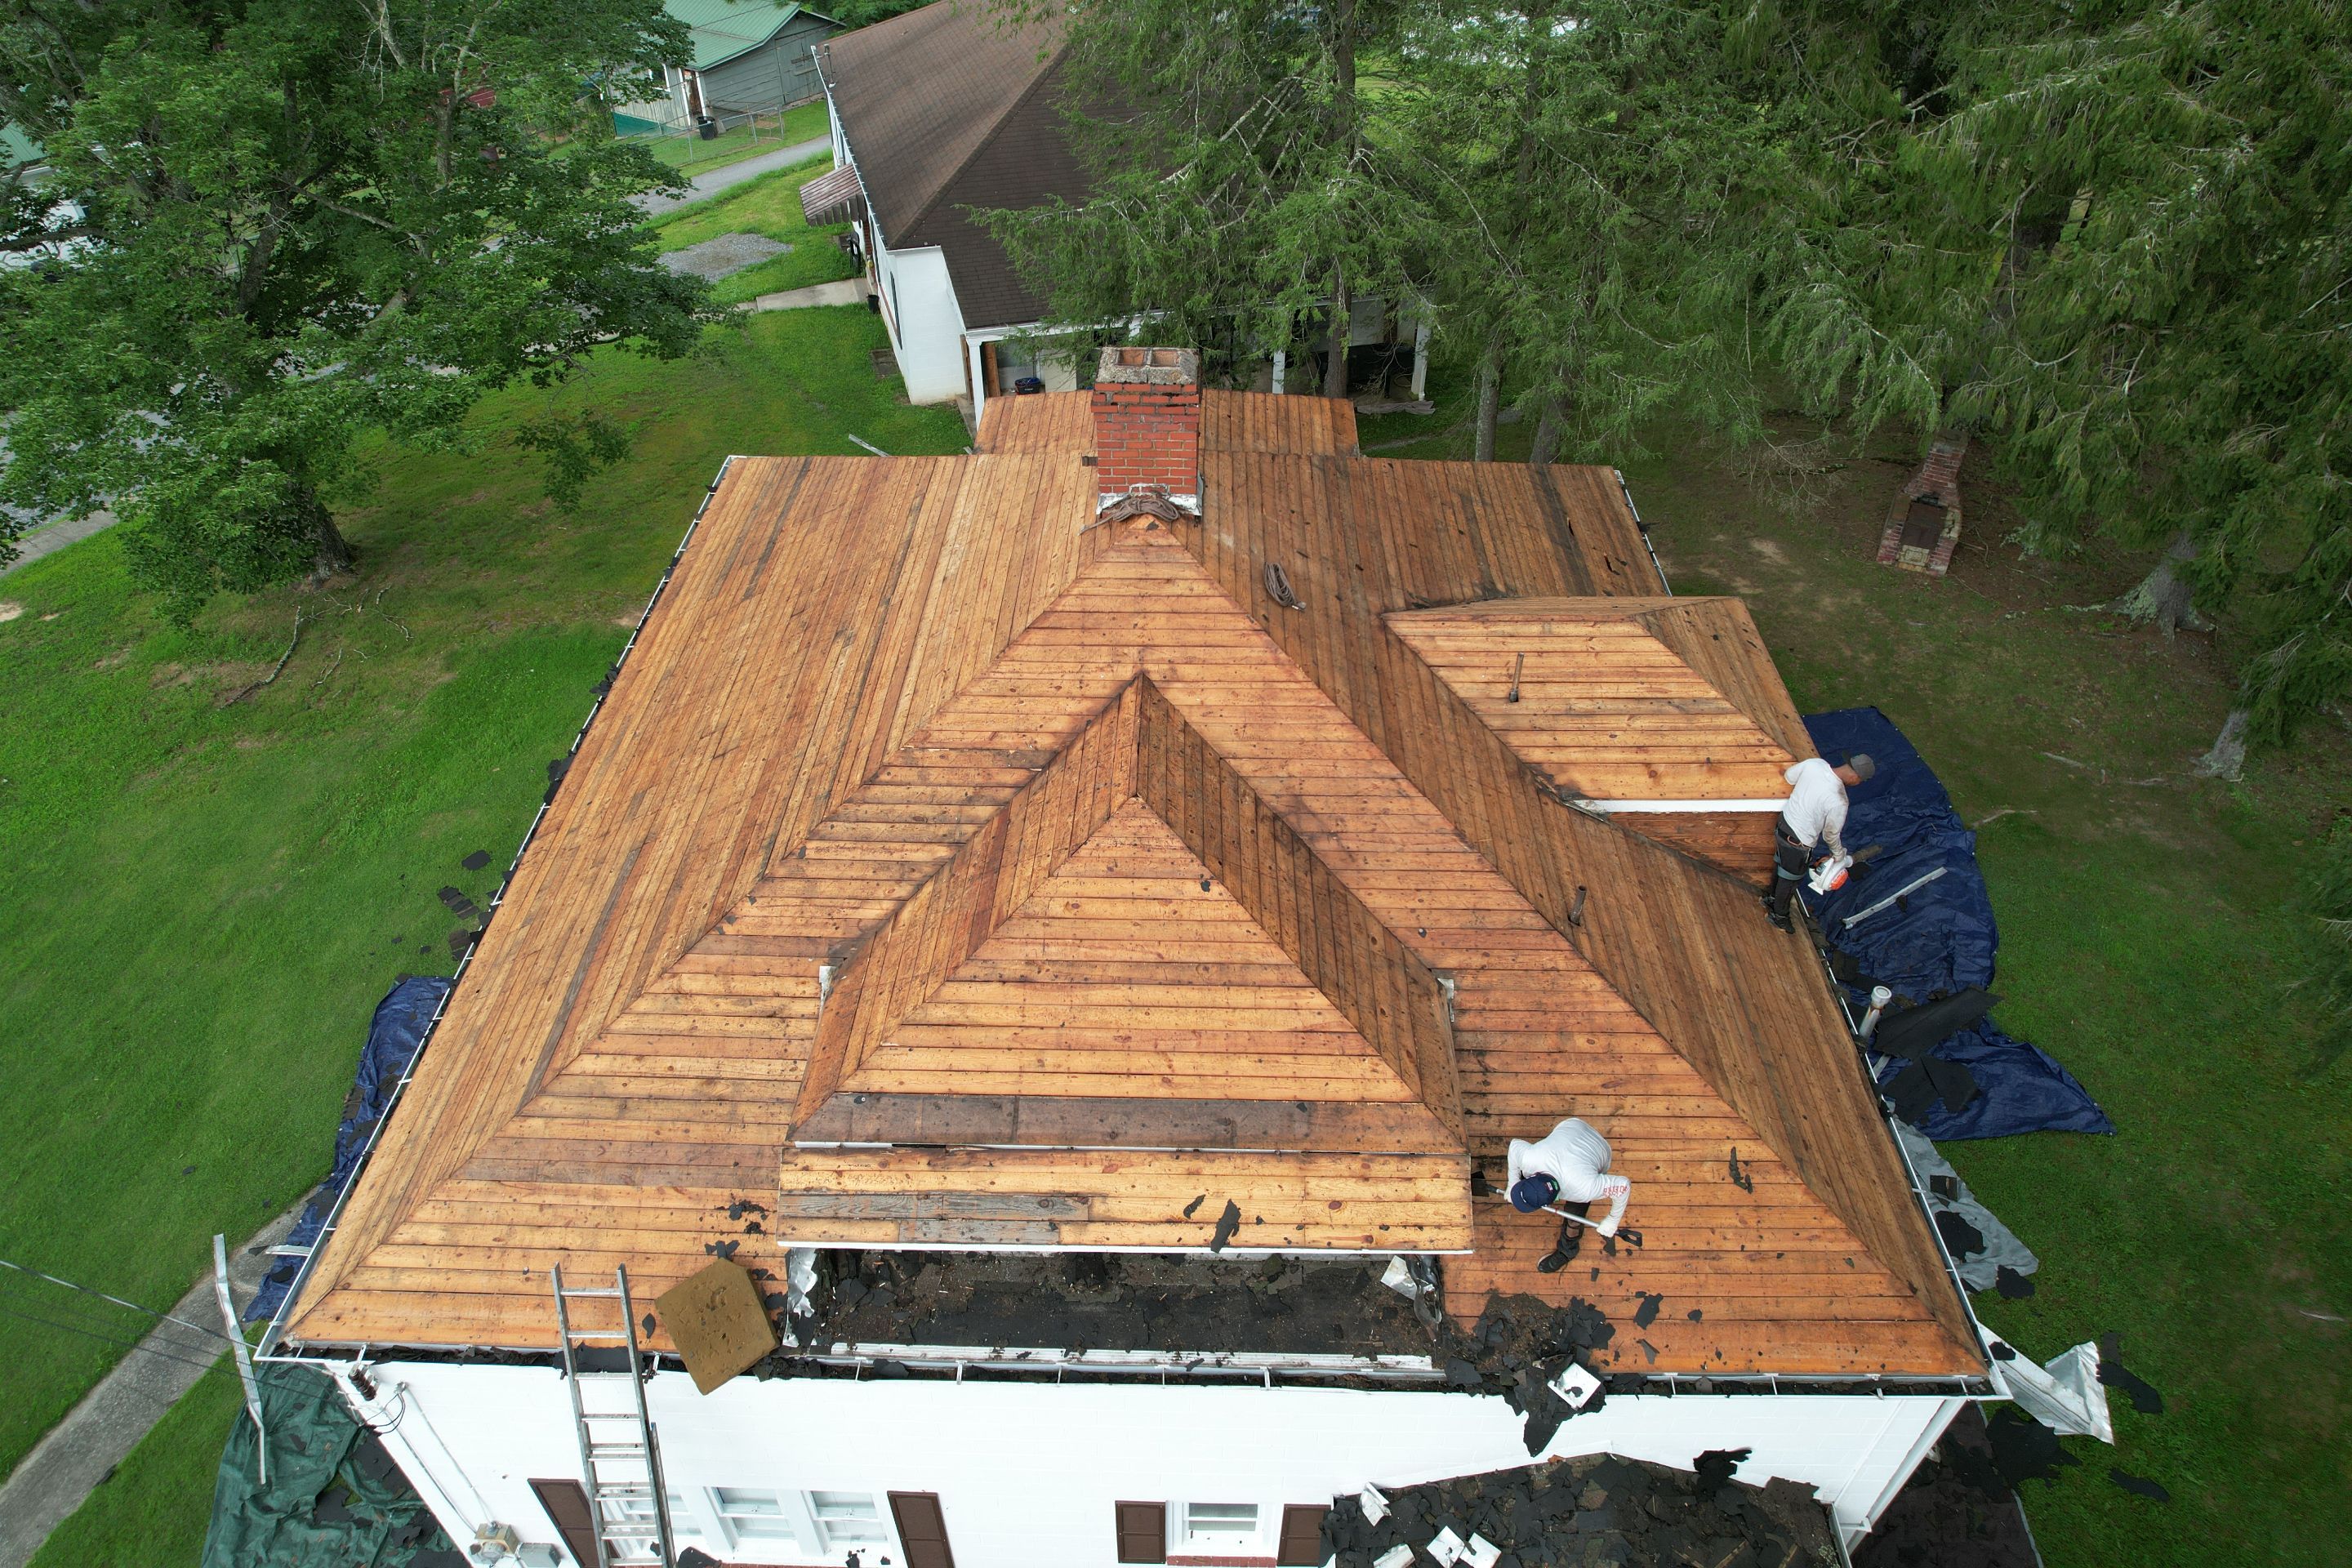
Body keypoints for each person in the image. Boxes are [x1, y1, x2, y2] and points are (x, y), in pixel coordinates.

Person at [1766, 752, 1875, 931]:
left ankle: (1771, 897)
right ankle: (1779, 915)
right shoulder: (1839, 800)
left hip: (1784, 824)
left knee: (1782, 865)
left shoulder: (1815, 764)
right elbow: (1831, 834)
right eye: (1860, 781)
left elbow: (1789, 776)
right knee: (1791, 878)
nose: (1858, 784)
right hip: (1800, 841)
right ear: (1855, 776)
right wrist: (1839, 855)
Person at [1506, 1117, 1632, 1271]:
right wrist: (1512, 1182)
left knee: (1574, 1220)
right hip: (1572, 1125)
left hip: (1600, 1150)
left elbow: (1623, 1186)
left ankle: (1568, 1251)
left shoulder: (1584, 1188)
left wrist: (1613, 1220)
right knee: (1526, 1166)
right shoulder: (1531, 1157)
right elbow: (1514, 1146)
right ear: (1534, 1176)